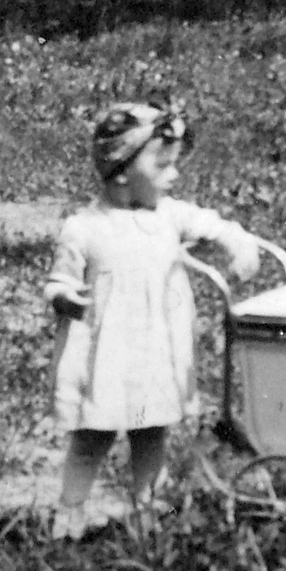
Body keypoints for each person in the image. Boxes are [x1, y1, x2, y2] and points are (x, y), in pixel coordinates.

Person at [45, 99, 260, 538]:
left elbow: (216, 226)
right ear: (122, 172)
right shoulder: (84, 228)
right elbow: (58, 281)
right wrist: (66, 297)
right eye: (162, 167)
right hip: (105, 356)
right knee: (91, 437)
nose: (174, 176)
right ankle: (70, 513)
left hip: (154, 351)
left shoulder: (169, 216)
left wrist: (239, 246)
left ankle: (146, 512)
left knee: (151, 433)